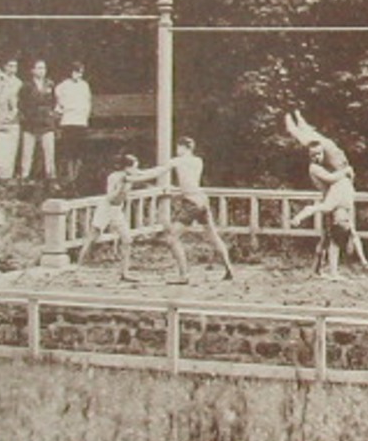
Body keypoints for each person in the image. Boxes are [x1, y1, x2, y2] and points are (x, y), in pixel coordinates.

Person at [284, 111, 368, 274]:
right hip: (339, 164)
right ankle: (300, 125)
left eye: (341, 221)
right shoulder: (348, 208)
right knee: (319, 141)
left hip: (339, 167)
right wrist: (364, 260)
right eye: (345, 221)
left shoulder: (331, 206)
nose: (345, 220)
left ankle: (297, 127)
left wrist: (297, 218)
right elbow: (353, 233)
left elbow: (313, 209)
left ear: (336, 220)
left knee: (316, 141)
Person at [143, 137, 234, 284]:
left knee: (171, 238)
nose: (177, 150)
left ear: (184, 147)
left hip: (192, 202)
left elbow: (156, 172)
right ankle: (229, 269)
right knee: (213, 236)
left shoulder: (178, 161)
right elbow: (188, 182)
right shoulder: (198, 161)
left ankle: (184, 275)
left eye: (178, 147)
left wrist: (134, 175)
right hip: (202, 200)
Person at [75, 153, 141, 282]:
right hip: (105, 209)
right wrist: (122, 187)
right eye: (134, 167)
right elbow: (111, 198)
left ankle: (124, 272)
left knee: (127, 239)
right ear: (126, 167)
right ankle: (78, 270)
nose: (135, 170)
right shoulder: (115, 177)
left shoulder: (130, 176)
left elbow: (148, 173)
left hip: (117, 210)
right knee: (92, 238)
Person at [54, 62, 93, 186]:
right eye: (76, 72)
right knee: (69, 152)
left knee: (79, 152)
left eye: (81, 72)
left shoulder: (85, 85)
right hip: (68, 122)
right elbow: (59, 104)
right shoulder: (62, 86)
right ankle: (69, 179)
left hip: (81, 122)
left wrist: (84, 116)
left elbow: (87, 103)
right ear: (70, 72)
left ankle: (76, 177)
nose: (78, 75)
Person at [18, 59, 58, 180]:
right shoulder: (26, 86)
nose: (42, 71)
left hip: (46, 123)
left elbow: (54, 101)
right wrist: (28, 117)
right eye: (39, 68)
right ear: (33, 70)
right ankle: (25, 177)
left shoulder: (50, 84)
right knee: (27, 153)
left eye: (43, 68)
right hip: (31, 124)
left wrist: (51, 114)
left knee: (49, 152)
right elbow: (21, 104)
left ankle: (51, 177)